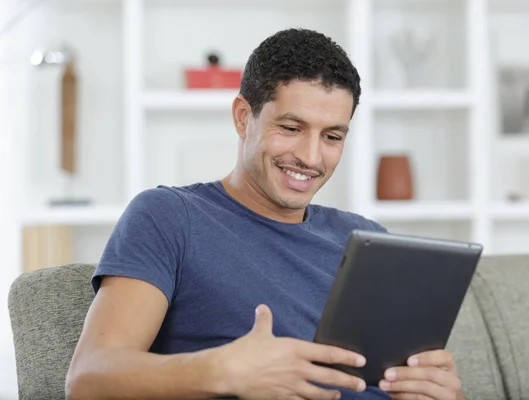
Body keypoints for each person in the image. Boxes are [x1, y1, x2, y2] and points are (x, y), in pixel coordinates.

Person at [65, 28, 465, 400]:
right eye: (291, 128)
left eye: (332, 136)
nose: (310, 157)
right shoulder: (170, 217)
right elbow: (88, 378)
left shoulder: (367, 237)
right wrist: (220, 370)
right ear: (244, 117)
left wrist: (439, 391)